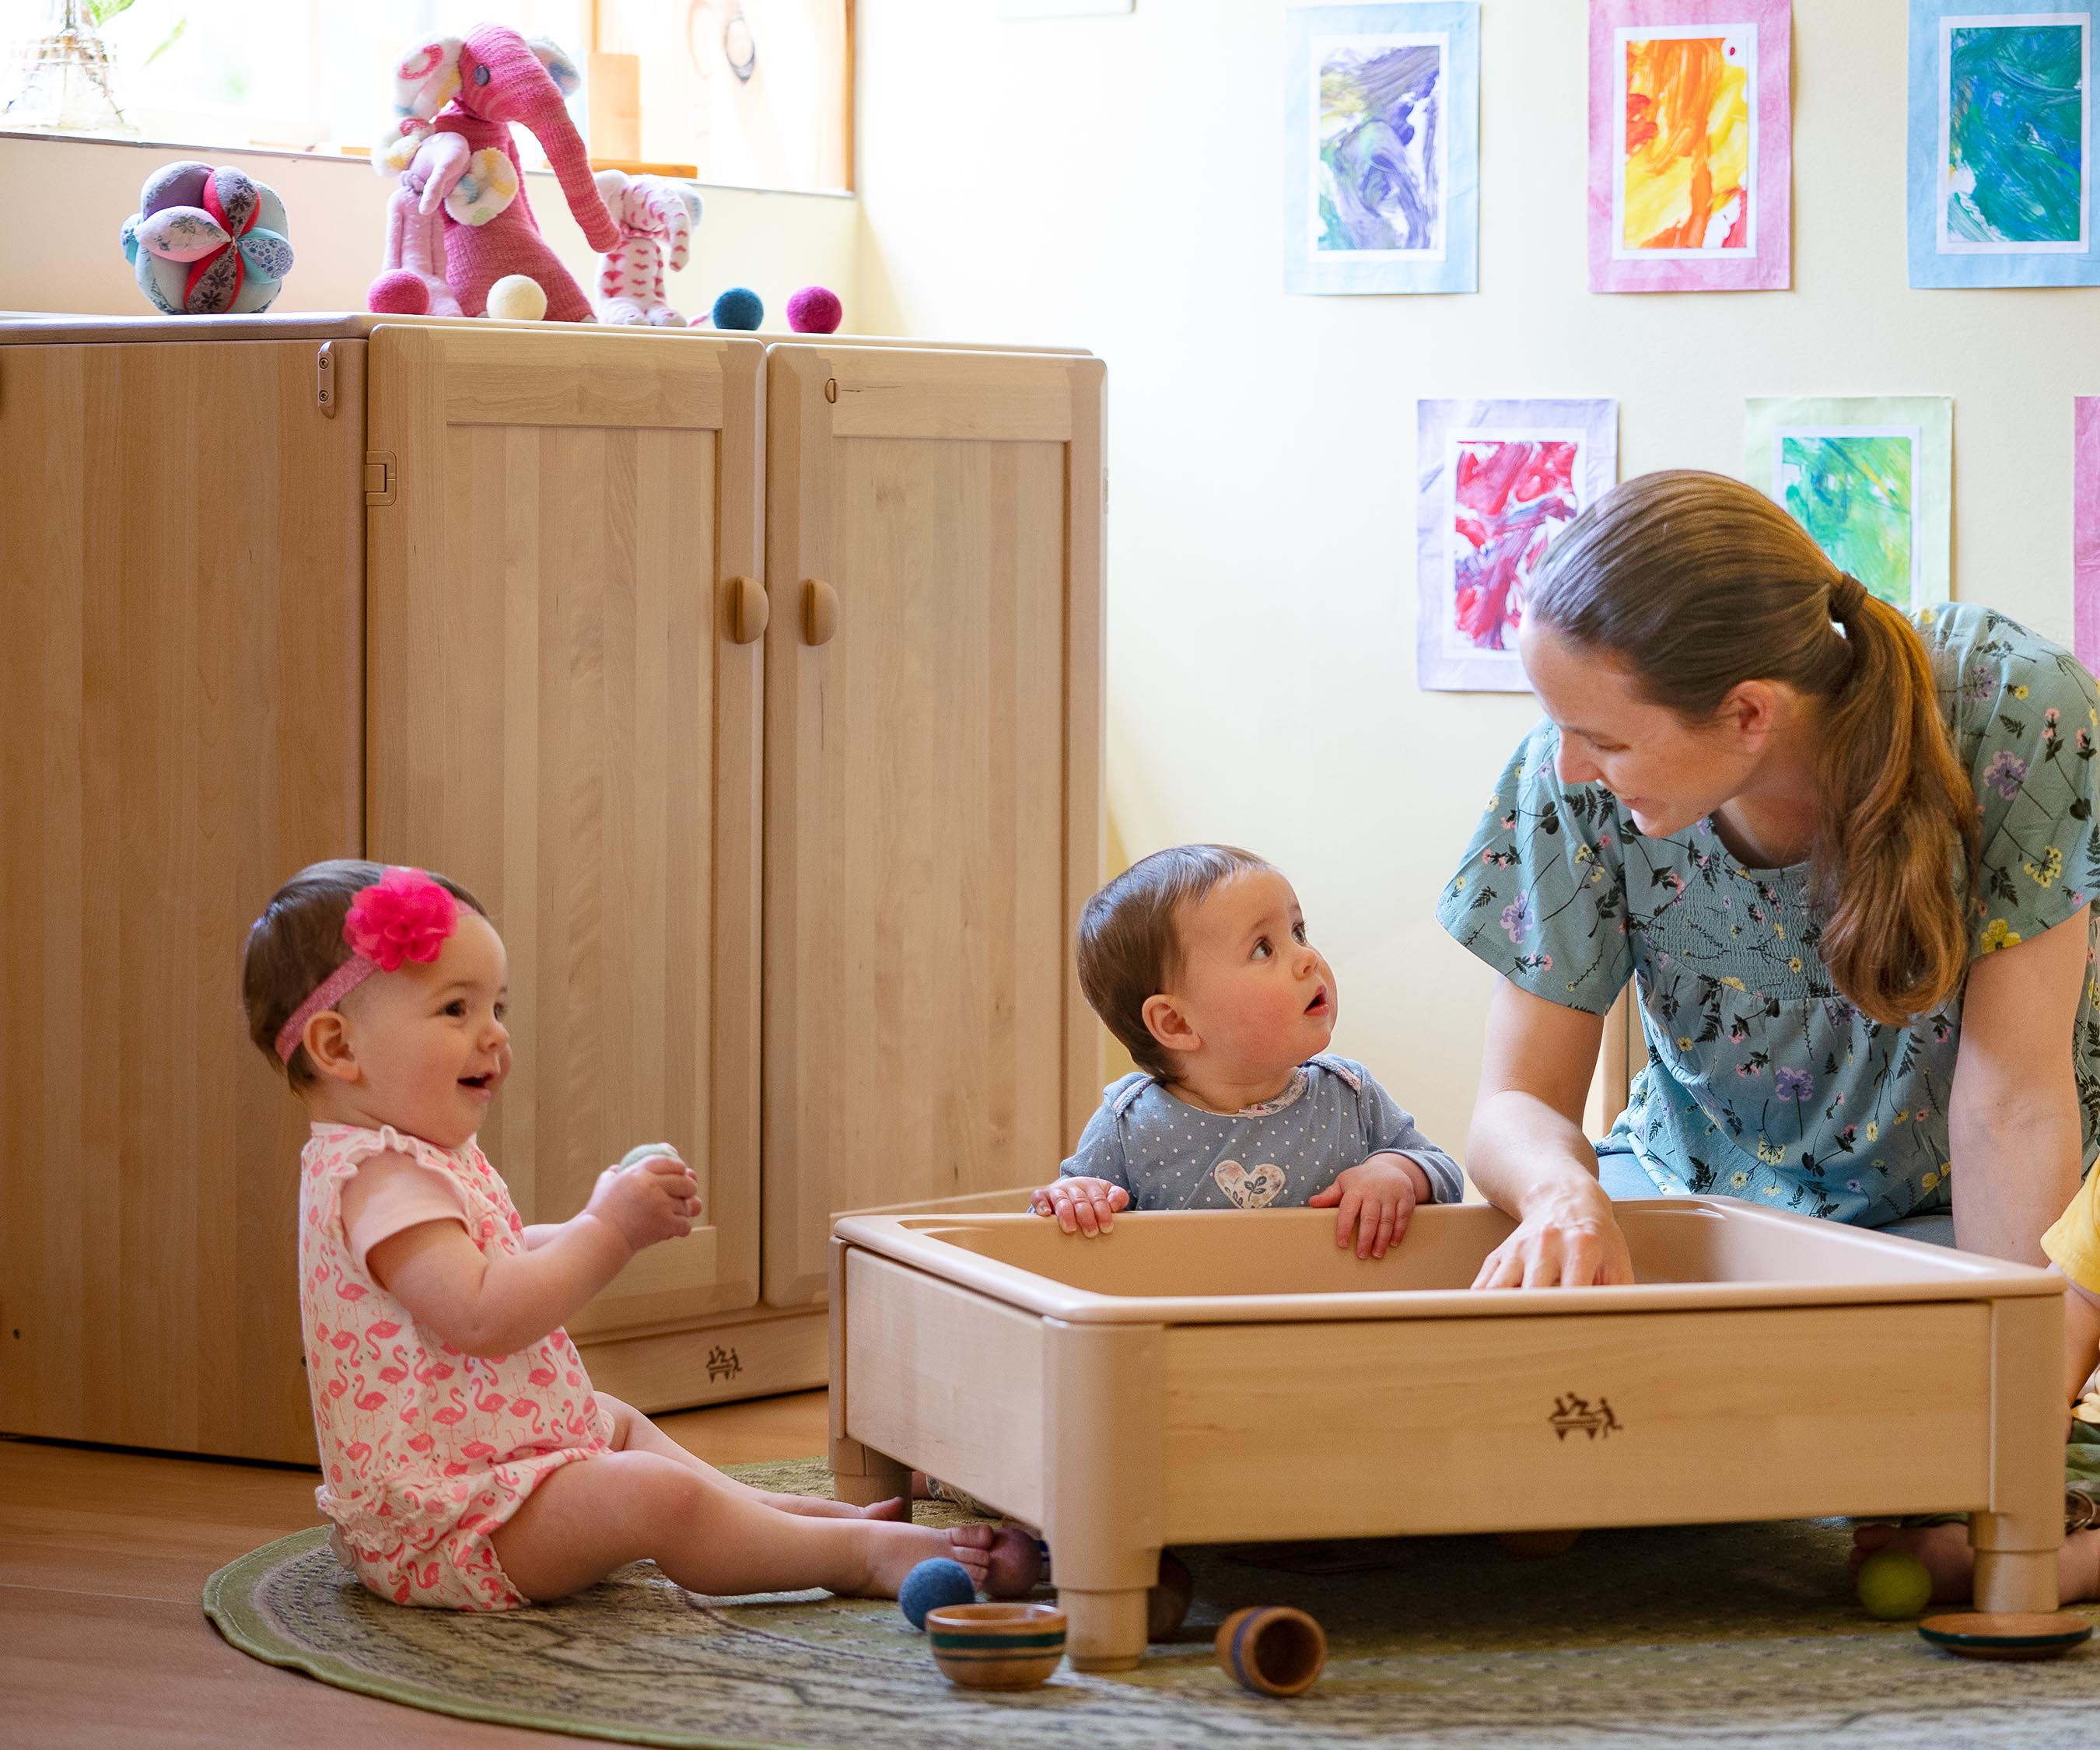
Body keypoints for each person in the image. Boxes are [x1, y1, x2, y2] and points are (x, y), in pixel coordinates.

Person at [1438, 469, 2100, 1602]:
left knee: (1949, 1456)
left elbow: (2012, 1105)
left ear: (1749, 712)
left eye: (1601, 737)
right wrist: (1563, 1195)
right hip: (1705, 1204)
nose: (1567, 766)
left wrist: (1998, 1425)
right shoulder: (1571, 773)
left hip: (1962, 1227)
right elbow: (1514, 1108)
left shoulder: (2014, 711)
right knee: (1496, 1445)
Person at [243, 859, 1035, 1612]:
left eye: (497, 1007)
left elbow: (495, 1258)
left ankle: (782, 1516)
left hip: (488, 1474)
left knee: (610, 1420)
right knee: (652, 1496)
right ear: (339, 1047)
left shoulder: (413, 1162)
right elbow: (484, 1315)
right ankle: (851, 1557)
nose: (493, 1035)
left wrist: (590, 1218)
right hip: (449, 1529)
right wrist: (607, 1230)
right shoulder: (381, 1178)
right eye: (455, 1008)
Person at [1035, 844, 1463, 1257]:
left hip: (1335, 1323)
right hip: (1191, 1328)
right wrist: (1072, 1200)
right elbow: (1046, 1241)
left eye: (1298, 932)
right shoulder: (1130, 1124)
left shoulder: (1348, 1094)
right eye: (1263, 948)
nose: (1307, 958)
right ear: (1177, 1023)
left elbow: (1445, 1174)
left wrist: (1395, 1172)